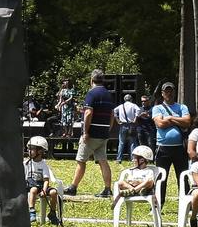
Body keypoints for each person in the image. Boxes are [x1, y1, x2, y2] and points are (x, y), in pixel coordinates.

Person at [63, 69, 114, 198]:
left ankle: (73, 187)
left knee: (81, 160)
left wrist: (85, 132)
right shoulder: (108, 94)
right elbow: (112, 114)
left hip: (92, 133)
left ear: (91, 80)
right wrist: (108, 128)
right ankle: (108, 189)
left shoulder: (92, 93)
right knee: (103, 161)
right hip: (103, 133)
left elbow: (88, 113)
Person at [151, 82, 191, 204]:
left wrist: (169, 118)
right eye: (166, 91)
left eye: (171, 91)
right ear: (162, 94)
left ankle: (186, 204)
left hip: (180, 148)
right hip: (163, 149)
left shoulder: (182, 107)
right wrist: (178, 120)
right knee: (161, 178)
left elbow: (187, 122)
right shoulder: (157, 108)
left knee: (183, 177)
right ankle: (158, 203)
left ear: (174, 92)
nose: (169, 93)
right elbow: (160, 124)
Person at [24, 136, 61, 224]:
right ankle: (32, 211)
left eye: (32, 149)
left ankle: (52, 213)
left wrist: (44, 190)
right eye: (28, 148)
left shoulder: (43, 165)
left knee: (54, 192)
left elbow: (46, 180)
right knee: (33, 190)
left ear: (40, 151)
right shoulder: (26, 163)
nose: (29, 151)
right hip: (31, 185)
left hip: (42, 185)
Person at [112, 144, 159, 212]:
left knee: (149, 181)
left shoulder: (149, 171)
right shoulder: (132, 171)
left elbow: (150, 182)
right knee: (120, 182)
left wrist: (139, 182)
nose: (133, 160)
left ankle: (134, 191)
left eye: (134, 158)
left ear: (142, 160)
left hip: (145, 190)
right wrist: (131, 182)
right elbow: (129, 180)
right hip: (133, 188)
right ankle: (134, 191)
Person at [113, 92, 140, 162]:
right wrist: (135, 119)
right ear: (131, 99)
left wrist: (117, 120)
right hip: (131, 125)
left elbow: (114, 111)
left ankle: (119, 159)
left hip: (123, 125)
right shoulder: (133, 105)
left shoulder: (121, 106)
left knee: (121, 143)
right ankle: (132, 158)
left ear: (124, 99)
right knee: (132, 142)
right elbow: (138, 110)